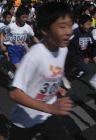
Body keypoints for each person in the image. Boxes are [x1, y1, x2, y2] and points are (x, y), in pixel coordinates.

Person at [9, 2, 73, 140]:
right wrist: (50, 108)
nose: (69, 31)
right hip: (25, 119)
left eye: (70, 25)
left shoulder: (63, 49)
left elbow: (49, 74)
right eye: (62, 26)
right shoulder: (35, 55)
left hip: (47, 114)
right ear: (45, 30)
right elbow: (14, 93)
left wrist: (55, 88)